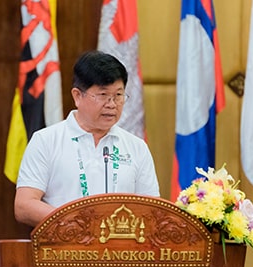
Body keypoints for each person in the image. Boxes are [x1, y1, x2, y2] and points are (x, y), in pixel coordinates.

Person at [14, 50, 160, 227]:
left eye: (118, 95)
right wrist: (80, 225)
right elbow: (24, 205)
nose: (112, 104)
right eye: (103, 95)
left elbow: (152, 211)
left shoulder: (137, 147)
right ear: (77, 96)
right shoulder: (46, 140)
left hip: (121, 250)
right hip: (64, 249)